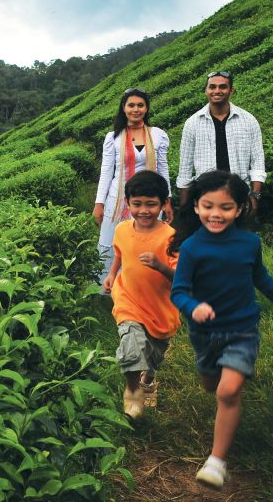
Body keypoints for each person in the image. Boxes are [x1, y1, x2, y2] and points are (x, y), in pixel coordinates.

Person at [169, 170, 273, 490]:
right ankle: (226, 401)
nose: (216, 214)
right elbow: (179, 291)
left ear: (240, 209)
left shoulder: (250, 243)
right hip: (205, 333)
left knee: (228, 391)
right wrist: (193, 306)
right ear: (196, 207)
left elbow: (260, 277)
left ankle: (216, 462)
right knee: (213, 386)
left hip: (242, 330)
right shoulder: (193, 248)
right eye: (208, 206)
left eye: (226, 207)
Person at [102, 170, 179, 420]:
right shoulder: (123, 229)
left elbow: (181, 279)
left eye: (151, 204)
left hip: (160, 309)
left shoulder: (171, 238)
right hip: (128, 300)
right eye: (137, 204)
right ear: (128, 203)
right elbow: (120, 254)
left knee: (153, 357)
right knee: (132, 348)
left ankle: (148, 381)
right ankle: (133, 392)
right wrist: (113, 274)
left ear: (164, 204)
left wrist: (160, 266)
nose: (144, 210)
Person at [93, 88, 173, 283]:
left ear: (146, 108)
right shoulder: (113, 137)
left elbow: (163, 170)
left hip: (150, 199)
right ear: (124, 108)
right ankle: (109, 286)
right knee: (113, 241)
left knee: (145, 241)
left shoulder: (158, 135)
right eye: (131, 105)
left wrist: (168, 200)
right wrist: (99, 203)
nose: (135, 109)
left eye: (140, 105)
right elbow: (106, 172)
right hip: (118, 199)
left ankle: (140, 284)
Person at [177, 71, 266, 215]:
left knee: (238, 236)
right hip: (206, 195)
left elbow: (257, 161)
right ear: (206, 90)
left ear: (231, 90)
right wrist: (184, 205)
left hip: (239, 193)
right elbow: (185, 168)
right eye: (212, 87)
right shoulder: (192, 123)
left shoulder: (249, 121)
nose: (217, 91)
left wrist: (255, 195)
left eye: (222, 87)